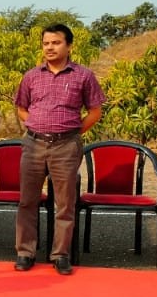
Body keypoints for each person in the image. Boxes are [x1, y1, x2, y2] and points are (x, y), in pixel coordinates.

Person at [12, 24, 105, 275]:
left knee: (65, 203)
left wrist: (72, 132)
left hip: (66, 145)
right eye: (46, 43)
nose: (50, 48)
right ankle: (25, 252)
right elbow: (21, 107)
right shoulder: (31, 75)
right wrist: (36, 124)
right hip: (33, 144)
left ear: (69, 46)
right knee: (27, 201)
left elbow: (95, 111)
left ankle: (60, 254)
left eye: (56, 43)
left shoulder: (83, 75)